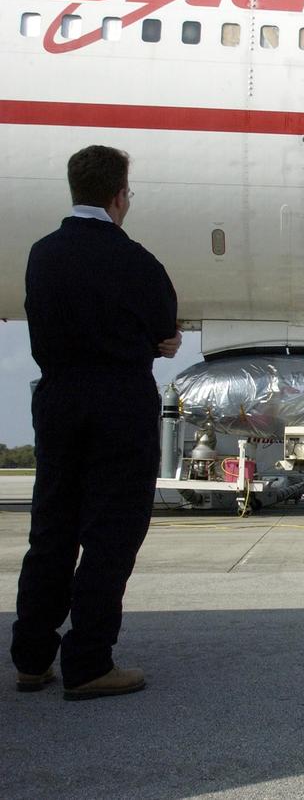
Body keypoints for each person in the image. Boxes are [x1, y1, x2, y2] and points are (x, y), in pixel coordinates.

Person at [11, 146, 180, 701]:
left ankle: (32, 659)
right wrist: (164, 341)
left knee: (52, 530)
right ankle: (88, 661)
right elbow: (162, 329)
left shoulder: (43, 254)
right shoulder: (136, 261)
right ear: (119, 196)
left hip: (58, 399)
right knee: (110, 535)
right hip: (119, 404)